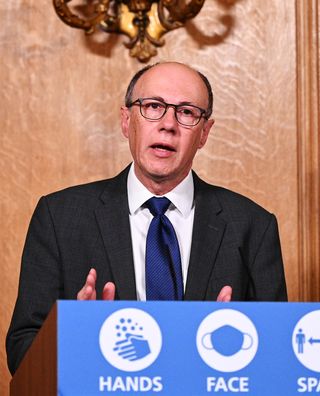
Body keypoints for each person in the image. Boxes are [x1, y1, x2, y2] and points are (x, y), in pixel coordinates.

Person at [6, 62, 287, 375]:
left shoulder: (252, 226)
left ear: (205, 133)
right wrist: (74, 337)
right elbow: (22, 350)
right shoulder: (59, 217)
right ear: (127, 121)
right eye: (153, 106)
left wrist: (234, 345)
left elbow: (276, 358)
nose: (168, 124)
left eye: (186, 112)